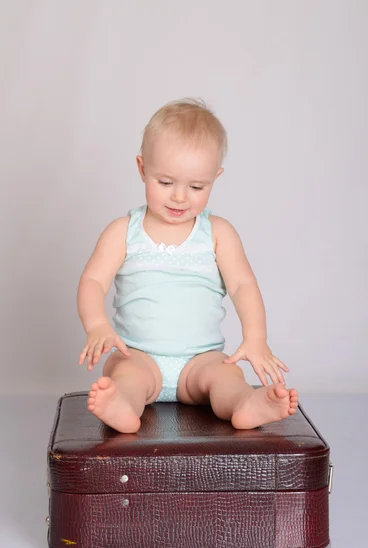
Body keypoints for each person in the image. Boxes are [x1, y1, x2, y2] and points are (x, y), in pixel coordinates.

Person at [77, 98, 298, 433]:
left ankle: (245, 403)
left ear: (215, 178)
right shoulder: (124, 232)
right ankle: (122, 404)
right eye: (165, 182)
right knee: (126, 376)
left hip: (201, 359)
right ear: (142, 169)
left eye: (197, 186)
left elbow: (243, 286)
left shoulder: (218, 234)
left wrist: (256, 339)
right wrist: (96, 325)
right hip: (139, 355)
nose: (180, 197)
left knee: (226, 377)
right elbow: (93, 280)